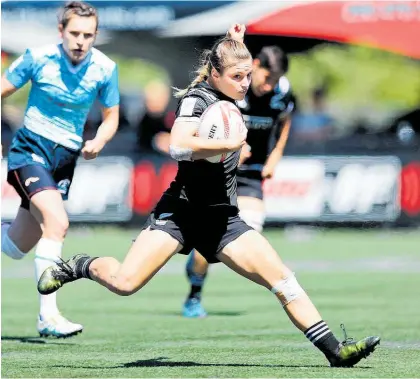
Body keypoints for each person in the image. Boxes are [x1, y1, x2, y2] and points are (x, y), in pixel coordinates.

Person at [37, 24, 379, 367]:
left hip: (222, 218)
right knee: (125, 283)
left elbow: (235, 69)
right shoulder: (197, 99)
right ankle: (79, 265)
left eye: (248, 76)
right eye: (237, 77)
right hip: (180, 214)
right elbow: (178, 144)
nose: (245, 84)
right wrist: (228, 144)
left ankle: (336, 352)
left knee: (283, 281)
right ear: (216, 74)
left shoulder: (233, 88)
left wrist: (236, 43)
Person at [1, 1, 120, 338]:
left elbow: (112, 117)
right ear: (61, 32)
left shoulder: (105, 67)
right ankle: (48, 316)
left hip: (66, 158)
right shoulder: (37, 58)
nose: (81, 41)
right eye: (75, 33)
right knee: (58, 223)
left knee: (16, 246)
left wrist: (98, 140)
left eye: (89, 35)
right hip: (30, 151)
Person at [183, 44, 295, 318]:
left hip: (251, 175)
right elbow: (203, 125)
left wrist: (276, 155)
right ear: (255, 65)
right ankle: (194, 295)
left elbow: (285, 121)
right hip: (220, 173)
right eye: (266, 78)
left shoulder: (282, 92)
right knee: (207, 251)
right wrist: (228, 147)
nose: (268, 86)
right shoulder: (232, 88)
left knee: (249, 232)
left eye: (274, 80)